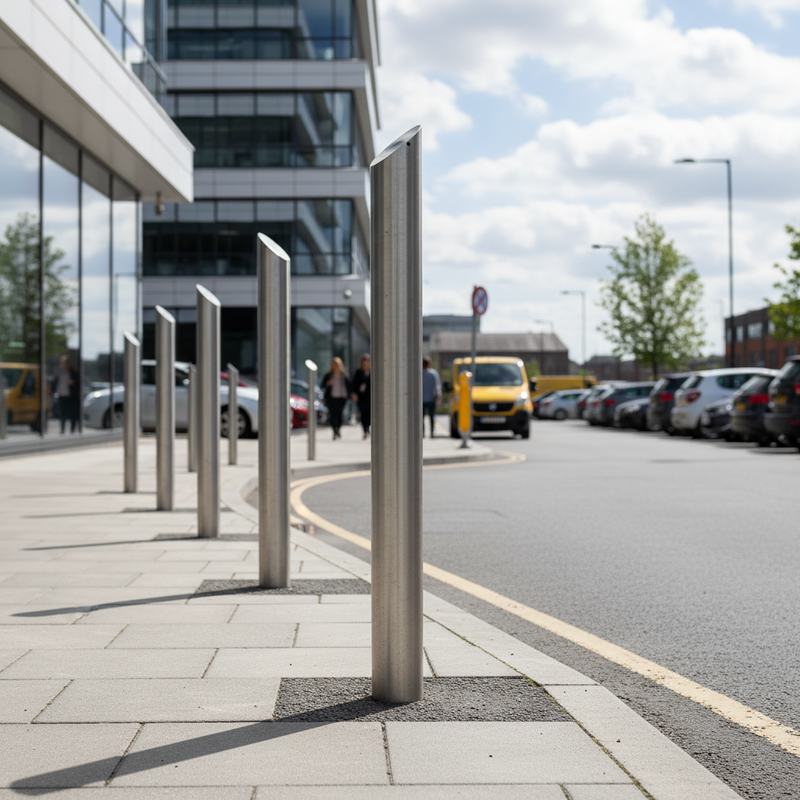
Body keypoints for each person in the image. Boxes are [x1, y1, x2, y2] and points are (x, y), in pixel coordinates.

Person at [322, 356, 350, 440]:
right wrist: (328, 384)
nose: (335, 367)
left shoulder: (344, 375)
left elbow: (349, 386)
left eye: (337, 365)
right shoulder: (328, 375)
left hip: (341, 398)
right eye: (334, 365)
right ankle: (334, 431)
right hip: (331, 398)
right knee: (332, 415)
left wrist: (351, 395)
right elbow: (322, 385)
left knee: (339, 415)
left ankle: (338, 429)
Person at [53, 355, 79, 434]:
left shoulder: (73, 372)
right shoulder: (59, 372)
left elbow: (78, 384)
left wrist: (72, 383)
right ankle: (62, 429)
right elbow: (54, 383)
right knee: (62, 413)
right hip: (61, 395)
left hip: (71, 396)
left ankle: (72, 429)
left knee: (71, 413)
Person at [351, 354, 371, 440]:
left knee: (370, 414)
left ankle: (367, 428)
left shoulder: (373, 372)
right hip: (361, 398)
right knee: (363, 414)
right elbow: (354, 385)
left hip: (371, 397)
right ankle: (365, 430)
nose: (365, 365)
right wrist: (354, 394)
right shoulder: (358, 372)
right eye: (364, 363)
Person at [422, 357, 441, 438]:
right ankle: (432, 432)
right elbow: (437, 386)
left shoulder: (419, 373)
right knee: (432, 417)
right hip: (431, 398)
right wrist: (439, 396)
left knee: (421, 418)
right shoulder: (433, 373)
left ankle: (422, 432)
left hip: (422, 399)